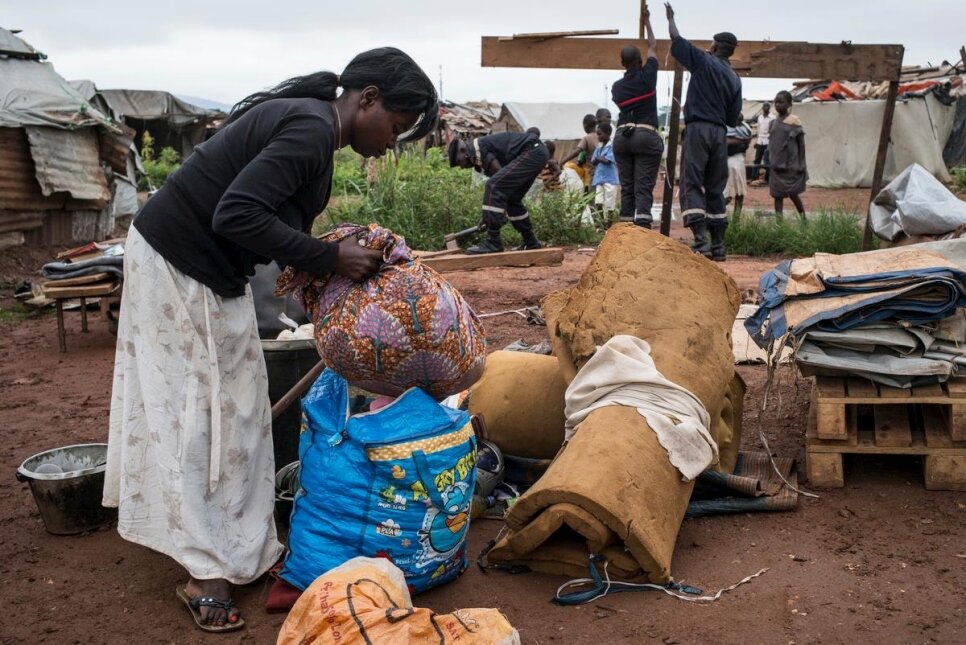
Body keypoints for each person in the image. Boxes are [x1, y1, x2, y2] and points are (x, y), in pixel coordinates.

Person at [103, 47, 438, 633]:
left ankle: (242, 549)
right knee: (201, 414)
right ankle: (204, 573)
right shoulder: (311, 128)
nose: (392, 142)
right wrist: (331, 256)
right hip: (176, 261)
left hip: (210, 269)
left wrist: (328, 262)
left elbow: (268, 224)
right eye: (397, 125)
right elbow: (236, 214)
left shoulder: (314, 131)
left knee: (243, 410)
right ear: (369, 99)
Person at [665, 2, 742, 258]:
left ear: (714, 46)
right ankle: (718, 246)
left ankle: (700, 242)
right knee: (716, 187)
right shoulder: (734, 78)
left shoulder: (703, 61)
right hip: (720, 134)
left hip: (698, 130)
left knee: (691, 182)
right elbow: (733, 119)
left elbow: (676, 38)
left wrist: (671, 18)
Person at [447, 131, 548, 253]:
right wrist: (489, 217)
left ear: (463, 151)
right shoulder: (478, 159)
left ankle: (493, 242)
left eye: (459, 162)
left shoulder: (479, 148)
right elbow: (502, 188)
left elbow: (497, 183)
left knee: (493, 185)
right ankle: (530, 241)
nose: (462, 167)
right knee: (512, 199)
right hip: (536, 153)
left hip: (532, 152)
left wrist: (491, 219)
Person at [611, 6, 664, 228]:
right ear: (640, 60)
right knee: (643, 187)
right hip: (645, 135)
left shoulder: (617, 88)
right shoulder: (649, 76)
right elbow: (653, 45)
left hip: (622, 137)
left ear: (622, 63)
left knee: (627, 186)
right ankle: (642, 229)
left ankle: (624, 231)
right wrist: (648, 21)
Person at [769, 90, 807, 218]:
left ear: (789, 104)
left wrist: (802, 163)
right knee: (777, 195)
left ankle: (803, 218)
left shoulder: (794, 122)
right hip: (776, 165)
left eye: (781, 102)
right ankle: (779, 224)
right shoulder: (773, 123)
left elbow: (801, 145)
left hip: (791, 165)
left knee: (793, 193)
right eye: (776, 102)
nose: (777, 105)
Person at [724, 116, 753, 223]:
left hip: (736, 162)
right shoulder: (742, 131)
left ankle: (719, 219)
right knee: (735, 194)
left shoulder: (743, 130)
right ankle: (723, 219)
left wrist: (740, 143)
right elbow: (729, 146)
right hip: (733, 163)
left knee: (734, 193)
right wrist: (742, 142)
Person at [591, 122, 619, 221]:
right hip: (599, 178)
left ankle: (608, 226)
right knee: (598, 201)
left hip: (610, 179)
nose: (598, 136)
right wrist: (600, 158)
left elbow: (607, 161)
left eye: (600, 134)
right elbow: (594, 161)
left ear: (608, 133)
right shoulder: (599, 147)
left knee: (609, 203)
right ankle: (601, 224)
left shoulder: (612, 146)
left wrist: (599, 158)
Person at [560, 113, 599, 185]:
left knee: (592, 193)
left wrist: (563, 161)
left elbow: (578, 151)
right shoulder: (601, 136)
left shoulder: (587, 138)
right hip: (603, 171)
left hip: (593, 171)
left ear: (585, 125)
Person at [751, 102, 776, 181]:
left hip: (768, 141)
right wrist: (756, 140)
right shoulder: (760, 117)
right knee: (757, 159)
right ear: (762, 107)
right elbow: (758, 129)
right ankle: (754, 177)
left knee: (767, 160)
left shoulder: (773, 117)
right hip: (760, 141)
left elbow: (774, 130)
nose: (766, 107)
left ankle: (768, 178)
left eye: (767, 106)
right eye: (764, 106)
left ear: (769, 107)